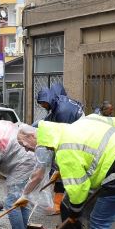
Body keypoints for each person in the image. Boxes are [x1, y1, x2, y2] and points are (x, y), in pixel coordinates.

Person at [36, 83, 84, 214]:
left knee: (65, 173)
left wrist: (56, 163)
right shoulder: (60, 102)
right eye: (40, 104)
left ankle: (63, 206)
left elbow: (63, 137)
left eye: (43, 103)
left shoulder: (63, 111)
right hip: (75, 138)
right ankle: (61, 204)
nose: (42, 106)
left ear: (50, 99)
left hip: (75, 143)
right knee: (61, 173)